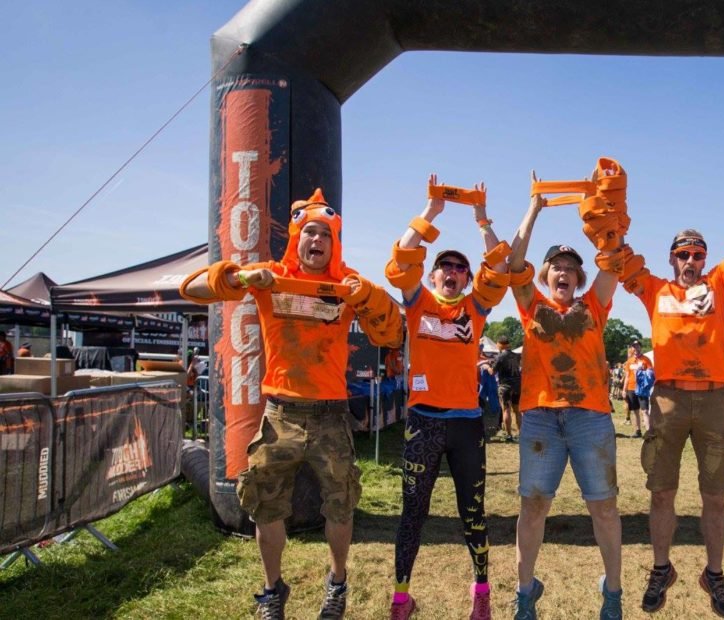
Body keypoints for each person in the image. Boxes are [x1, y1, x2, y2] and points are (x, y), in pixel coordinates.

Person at [179, 188, 404, 620]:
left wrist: (368, 295)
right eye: (309, 232)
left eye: (325, 235)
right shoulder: (271, 274)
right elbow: (194, 288)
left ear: (334, 243)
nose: (316, 240)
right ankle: (271, 590)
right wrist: (242, 277)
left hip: (330, 416)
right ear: (296, 237)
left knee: (341, 502)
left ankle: (337, 582)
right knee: (266, 503)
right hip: (280, 415)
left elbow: (392, 335)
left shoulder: (346, 284)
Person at [611, 143, 724, 617]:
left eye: (697, 254)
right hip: (668, 399)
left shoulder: (722, 283)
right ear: (671, 259)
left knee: (715, 495)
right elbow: (614, 254)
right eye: (683, 254)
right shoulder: (654, 290)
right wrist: (604, 199)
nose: (691, 261)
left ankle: (714, 575)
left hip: (713, 400)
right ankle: (660, 568)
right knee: (662, 492)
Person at [383, 175, 510, 620]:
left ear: (467, 277)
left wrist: (481, 220)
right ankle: (401, 599)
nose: (453, 272)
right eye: (445, 266)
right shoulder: (417, 301)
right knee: (412, 512)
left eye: (460, 268)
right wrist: (431, 212)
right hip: (423, 422)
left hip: (465, 424)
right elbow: (399, 260)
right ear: (433, 274)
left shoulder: (475, 309)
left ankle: (481, 593)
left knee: (472, 512)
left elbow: (501, 266)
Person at [508, 169, 624, 619]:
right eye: (556, 266)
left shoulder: (594, 303)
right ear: (547, 273)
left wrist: (603, 209)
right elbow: (513, 263)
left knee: (605, 509)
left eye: (571, 269)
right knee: (533, 506)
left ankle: (612, 595)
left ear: (578, 277)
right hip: (540, 417)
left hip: (590, 415)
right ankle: (524, 593)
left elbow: (610, 258)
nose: (563, 273)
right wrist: (535, 207)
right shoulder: (531, 305)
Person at [493, 335, 523, 441]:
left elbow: (493, 372)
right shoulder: (517, 356)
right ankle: (521, 434)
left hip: (505, 386)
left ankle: (509, 435)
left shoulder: (499, 357)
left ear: (500, 344)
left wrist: (486, 367)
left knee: (506, 410)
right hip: (517, 385)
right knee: (517, 411)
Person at [623, 340, 653, 437]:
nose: (636, 348)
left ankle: (648, 432)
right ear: (632, 348)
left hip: (642, 389)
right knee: (635, 411)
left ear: (641, 347)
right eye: (634, 347)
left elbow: (651, 374)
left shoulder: (646, 360)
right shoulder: (629, 362)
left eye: (637, 346)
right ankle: (638, 431)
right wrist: (624, 390)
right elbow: (627, 376)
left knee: (644, 410)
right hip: (631, 388)